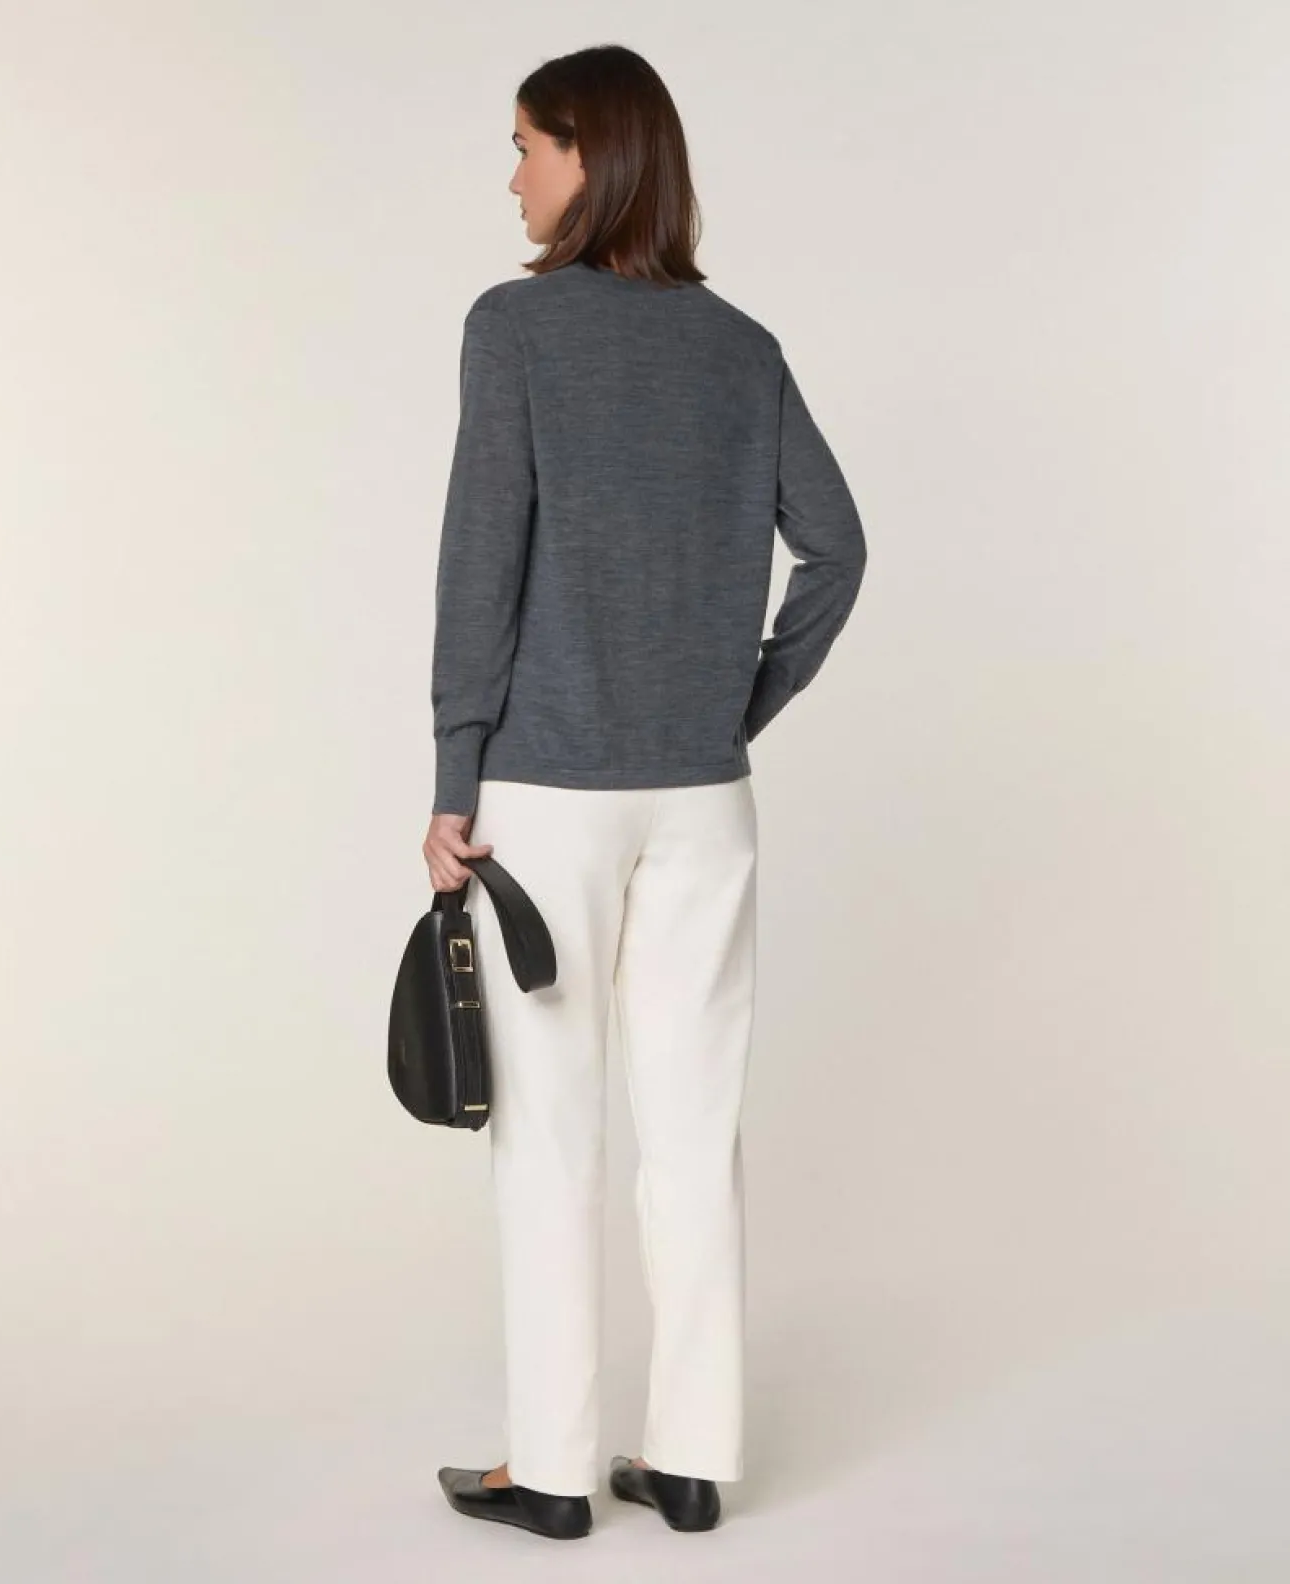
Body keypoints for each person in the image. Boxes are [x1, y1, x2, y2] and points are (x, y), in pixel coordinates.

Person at [424, 43, 868, 1540]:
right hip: (703, 803)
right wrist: (739, 704)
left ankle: (553, 1471)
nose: (512, 178)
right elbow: (840, 547)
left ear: (589, 154)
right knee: (693, 1127)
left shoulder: (515, 328)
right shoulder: (742, 348)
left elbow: (480, 561)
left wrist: (453, 772)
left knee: (549, 1135)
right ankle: (688, 1457)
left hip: (546, 796)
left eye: (525, 146)